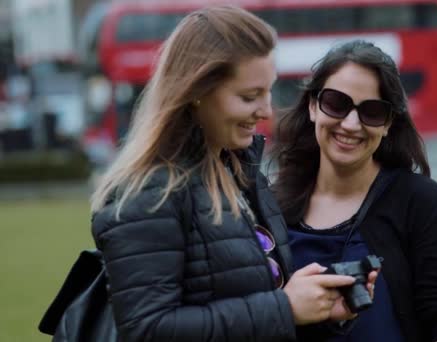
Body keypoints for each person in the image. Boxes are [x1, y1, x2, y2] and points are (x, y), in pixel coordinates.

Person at [90, 7, 375, 341]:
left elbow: (256, 313)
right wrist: (284, 307)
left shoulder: (241, 171)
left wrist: (320, 312)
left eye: (268, 91)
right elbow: (147, 331)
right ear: (196, 90)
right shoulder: (150, 192)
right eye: (249, 96)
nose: (266, 110)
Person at [271, 40, 437, 342]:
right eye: (336, 104)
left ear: (389, 123)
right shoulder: (272, 206)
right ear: (313, 106)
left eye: (372, 111)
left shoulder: (420, 202)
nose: (351, 124)